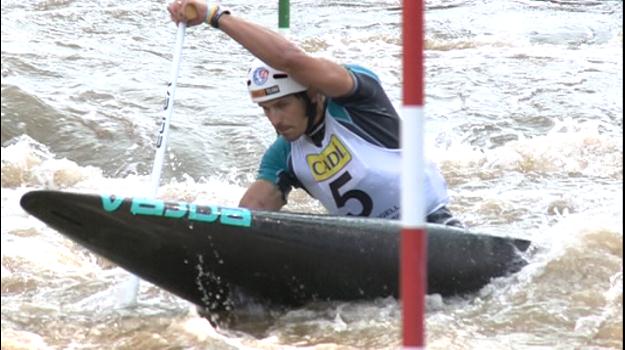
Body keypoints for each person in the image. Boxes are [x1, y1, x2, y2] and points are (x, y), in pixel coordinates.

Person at [167, 1, 462, 227]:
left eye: (282, 105)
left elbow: (290, 59)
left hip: (432, 225)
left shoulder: (358, 101)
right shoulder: (282, 156)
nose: (275, 119)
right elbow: (244, 220)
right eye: (266, 109)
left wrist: (213, 15)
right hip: (368, 250)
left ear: (312, 94)